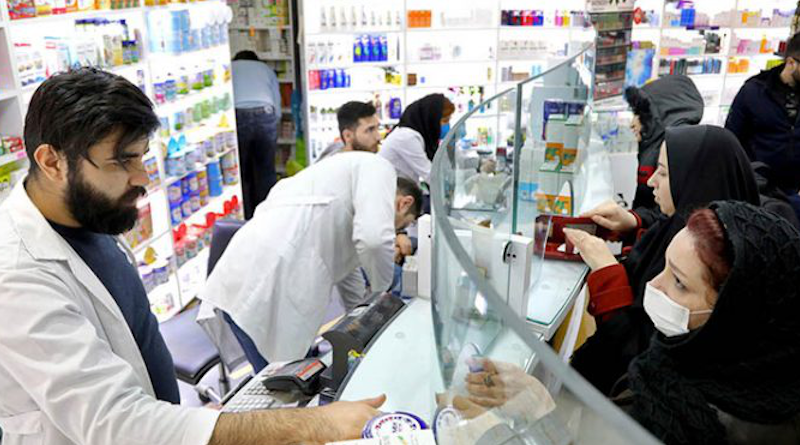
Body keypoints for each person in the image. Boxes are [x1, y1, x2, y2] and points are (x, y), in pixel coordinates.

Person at [0, 68, 385, 445]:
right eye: (122, 161)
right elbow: (117, 423)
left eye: (141, 157)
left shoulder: (86, 216)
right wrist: (315, 425)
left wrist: (197, 423)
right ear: (52, 162)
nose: (142, 177)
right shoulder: (17, 273)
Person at [464, 202, 800, 444]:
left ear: (733, 315)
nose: (654, 285)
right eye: (664, 267)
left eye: (680, 282)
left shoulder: (681, 422)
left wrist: (539, 412)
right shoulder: (725, 370)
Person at [564, 125, 759, 395]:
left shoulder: (705, 258)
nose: (651, 180)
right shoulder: (695, 226)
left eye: (665, 173)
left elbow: (635, 355)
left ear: (695, 180)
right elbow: (661, 221)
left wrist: (607, 272)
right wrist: (633, 221)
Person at [198, 152, 422, 370]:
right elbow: (374, 241)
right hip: (270, 281)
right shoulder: (379, 168)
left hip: (239, 277)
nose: (394, 231)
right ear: (404, 203)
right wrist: (381, 295)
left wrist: (364, 316)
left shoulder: (344, 183)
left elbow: (348, 272)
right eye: (401, 225)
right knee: (282, 389)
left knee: (277, 384)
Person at [726, 32, 800, 223]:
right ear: (791, 63)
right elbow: (731, 141)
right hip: (759, 193)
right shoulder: (754, 91)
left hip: (795, 196)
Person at [624, 75, 704, 227]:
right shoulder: (653, 144)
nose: (632, 123)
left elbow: (673, 213)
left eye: (638, 114)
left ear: (659, 115)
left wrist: (636, 220)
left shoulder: (678, 150)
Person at [231, 50, 282, 220]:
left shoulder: (229, 68)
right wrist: (275, 120)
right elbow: (276, 99)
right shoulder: (265, 68)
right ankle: (269, 214)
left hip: (237, 114)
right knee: (266, 169)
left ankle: (246, 214)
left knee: (241, 171)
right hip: (264, 112)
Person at [378, 93, 455, 184]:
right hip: (393, 192)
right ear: (430, 119)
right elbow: (431, 175)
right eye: (445, 121)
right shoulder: (406, 137)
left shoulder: (417, 136)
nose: (447, 125)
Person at [316, 101, 382, 161]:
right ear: (348, 136)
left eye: (378, 128)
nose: (379, 137)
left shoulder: (367, 161)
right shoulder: (331, 170)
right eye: (370, 130)